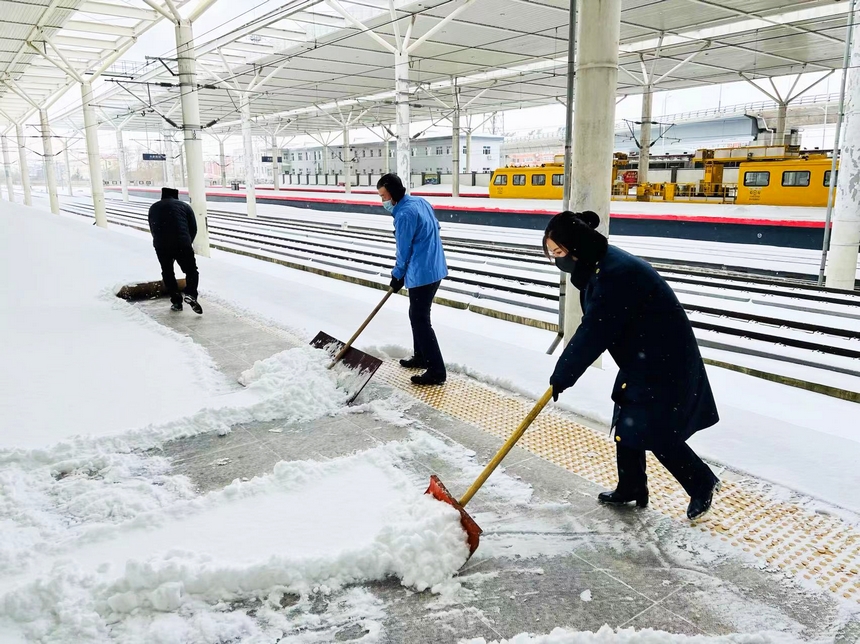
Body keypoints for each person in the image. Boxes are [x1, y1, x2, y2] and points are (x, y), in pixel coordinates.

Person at [544, 210, 720, 521]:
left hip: (664, 359)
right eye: (551, 254)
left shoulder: (615, 274)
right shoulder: (598, 263)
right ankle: (632, 486)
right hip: (643, 354)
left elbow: (594, 331)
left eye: (558, 252)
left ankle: (702, 482)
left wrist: (563, 374)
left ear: (576, 246)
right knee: (628, 418)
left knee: (654, 428)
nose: (557, 260)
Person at [376, 173, 448, 385]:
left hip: (422, 273)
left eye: (383, 196)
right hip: (435, 267)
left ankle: (436, 370)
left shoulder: (404, 214)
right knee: (417, 315)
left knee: (420, 319)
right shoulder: (419, 201)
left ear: (394, 194)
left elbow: (404, 250)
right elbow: (436, 227)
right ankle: (421, 356)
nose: (382, 201)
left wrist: (397, 275)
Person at [147, 187, 202, 314]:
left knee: (167, 272)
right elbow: (193, 227)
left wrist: (159, 241)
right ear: (176, 196)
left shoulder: (154, 207)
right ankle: (191, 294)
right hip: (182, 243)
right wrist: (187, 241)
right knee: (191, 270)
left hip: (161, 245)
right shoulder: (184, 206)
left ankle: (176, 302)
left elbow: (152, 226)